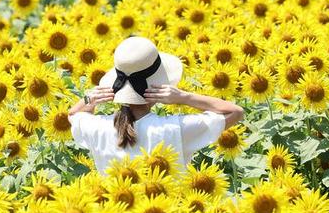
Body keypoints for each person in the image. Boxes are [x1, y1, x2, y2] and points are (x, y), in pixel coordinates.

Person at [68, 36, 244, 175]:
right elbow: (235, 112)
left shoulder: (98, 127)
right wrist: (184, 97)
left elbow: (73, 115)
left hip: (115, 209)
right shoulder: (176, 128)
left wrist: (89, 99)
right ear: (158, 86)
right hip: (168, 209)